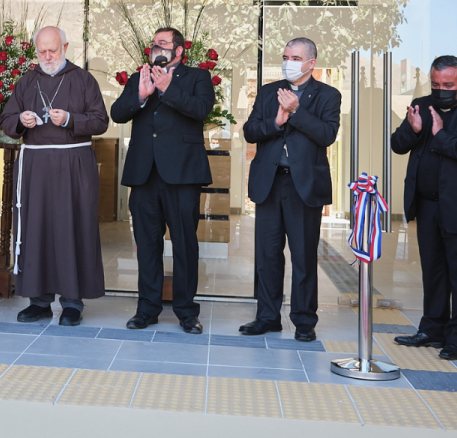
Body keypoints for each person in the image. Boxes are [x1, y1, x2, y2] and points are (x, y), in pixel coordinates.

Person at [0, 26, 109, 326]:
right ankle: (39, 301)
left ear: (66, 46)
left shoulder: (83, 80)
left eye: (54, 50)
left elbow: (101, 121)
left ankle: (72, 301)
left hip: (74, 166)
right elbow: (7, 120)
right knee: (37, 228)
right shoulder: (26, 82)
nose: (47, 57)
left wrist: (72, 119)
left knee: (71, 227)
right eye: (42, 51)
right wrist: (20, 120)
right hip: (36, 166)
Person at [391, 55, 457, 360]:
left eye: (448, 85)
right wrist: (413, 129)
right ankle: (432, 328)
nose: (441, 90)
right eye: (436, 84)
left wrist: (439, 134)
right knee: (433, 272)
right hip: (428, 207)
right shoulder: (422, 105)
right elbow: (398, 144)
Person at [111, 27, 214, 334]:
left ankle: (185, 311)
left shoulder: (198, 78)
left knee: (184, 245)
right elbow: (117, 113)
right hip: (144, 177)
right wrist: (141, 96)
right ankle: (147, 309)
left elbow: (201, 111)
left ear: (179, 51)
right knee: (146, 245)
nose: (156, 47)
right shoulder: (138, 77)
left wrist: (169, 89)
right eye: (154, 43)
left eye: (163, 43)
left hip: (182, 175)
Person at [239, 37, 340, 342]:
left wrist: (296, 112)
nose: (288, 62)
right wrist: (276, 120)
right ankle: (268, 317)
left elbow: (327, 135)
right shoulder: (270, 92)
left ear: (311, 63)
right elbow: (250, 131)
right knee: (268, 255)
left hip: (304, 185)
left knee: (303, 256)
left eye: (295, 57)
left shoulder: (328, 95)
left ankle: (304, 320)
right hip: (270, 183)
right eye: (285, 56)